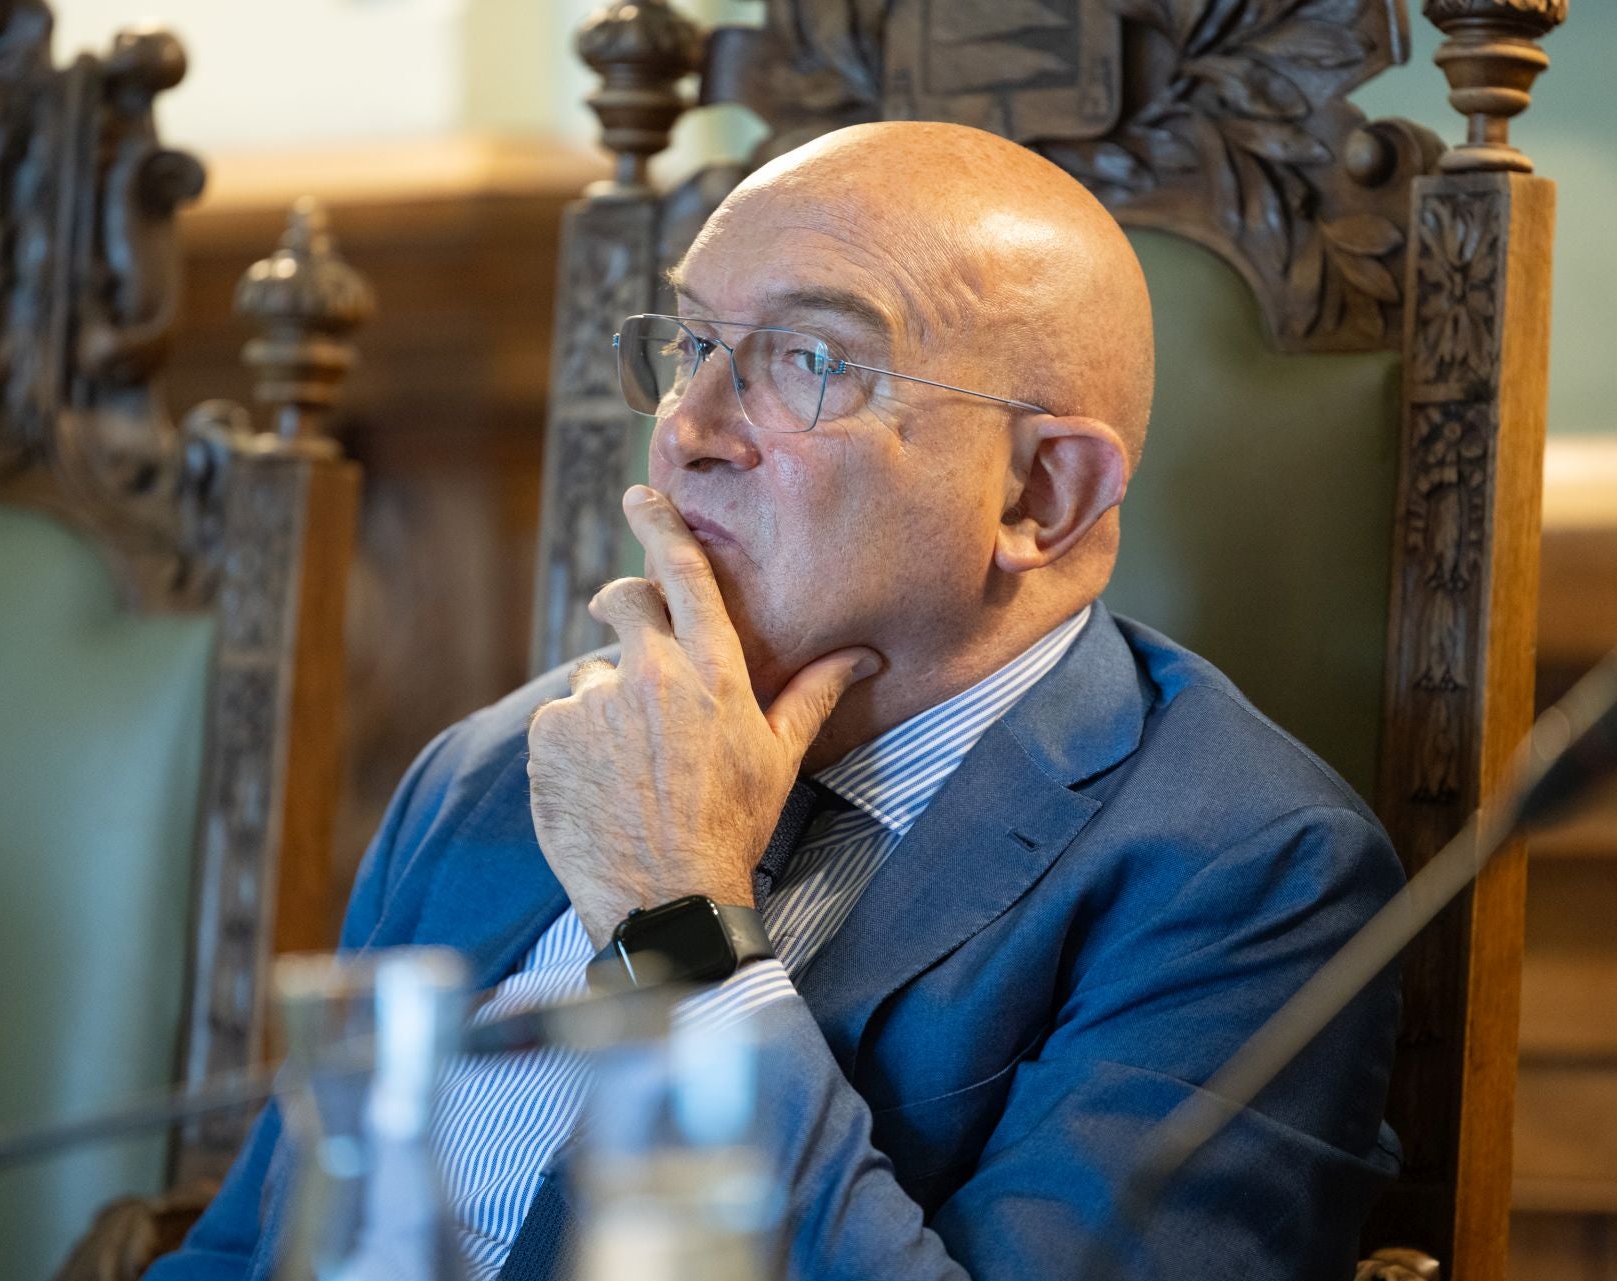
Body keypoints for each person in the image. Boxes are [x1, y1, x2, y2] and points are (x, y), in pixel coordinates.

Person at [147, 121, 1403, 1281]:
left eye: (809, 362)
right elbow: (252, 1248)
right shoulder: (508, 762)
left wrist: (678, 917)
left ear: (1041, 498)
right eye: (691, 345)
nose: (687, 430)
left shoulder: (1252, 876)